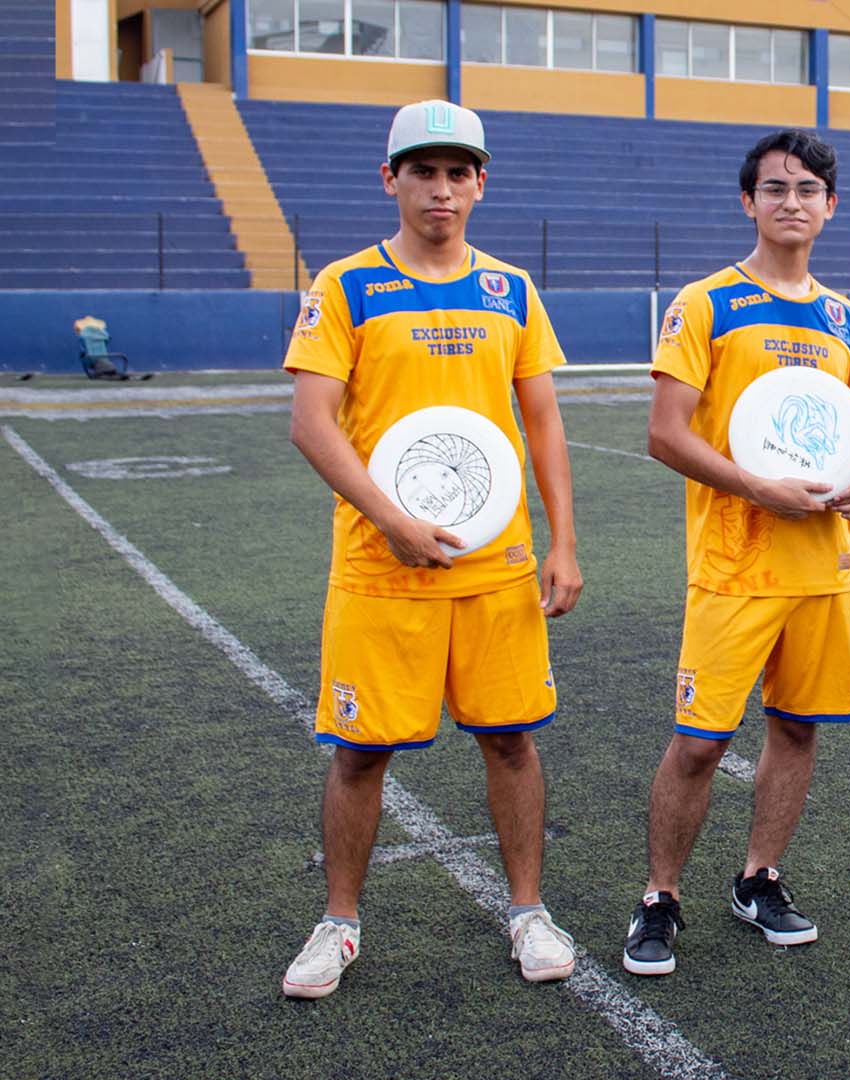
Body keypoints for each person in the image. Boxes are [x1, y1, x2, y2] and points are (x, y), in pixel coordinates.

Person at [280, 100, 584, 999]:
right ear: (391, 180)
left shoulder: (511, 289)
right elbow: (311, 424)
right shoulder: (345, 287)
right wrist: (393, 520)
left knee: (511, 742)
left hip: (497, 572)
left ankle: (528, 910)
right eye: (423, 171)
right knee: (360, 753)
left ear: (480, 183)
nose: (441, 189)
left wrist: (563, 539)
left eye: (458, 172)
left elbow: (542, 420)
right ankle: (338, 923)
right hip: (381, 569)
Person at [623, 130, 850, 977]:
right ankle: (660, 896)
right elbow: (665, 435)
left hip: (821, 566)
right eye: (775, 189)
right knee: (700, 742)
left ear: (830, 205)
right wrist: (754, 487)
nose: (792, 202)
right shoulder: (704, 304)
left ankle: (759, 878)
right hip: (734, 564)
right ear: (749, 202)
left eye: (808, 189)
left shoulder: (847, 317)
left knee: (797, 728)